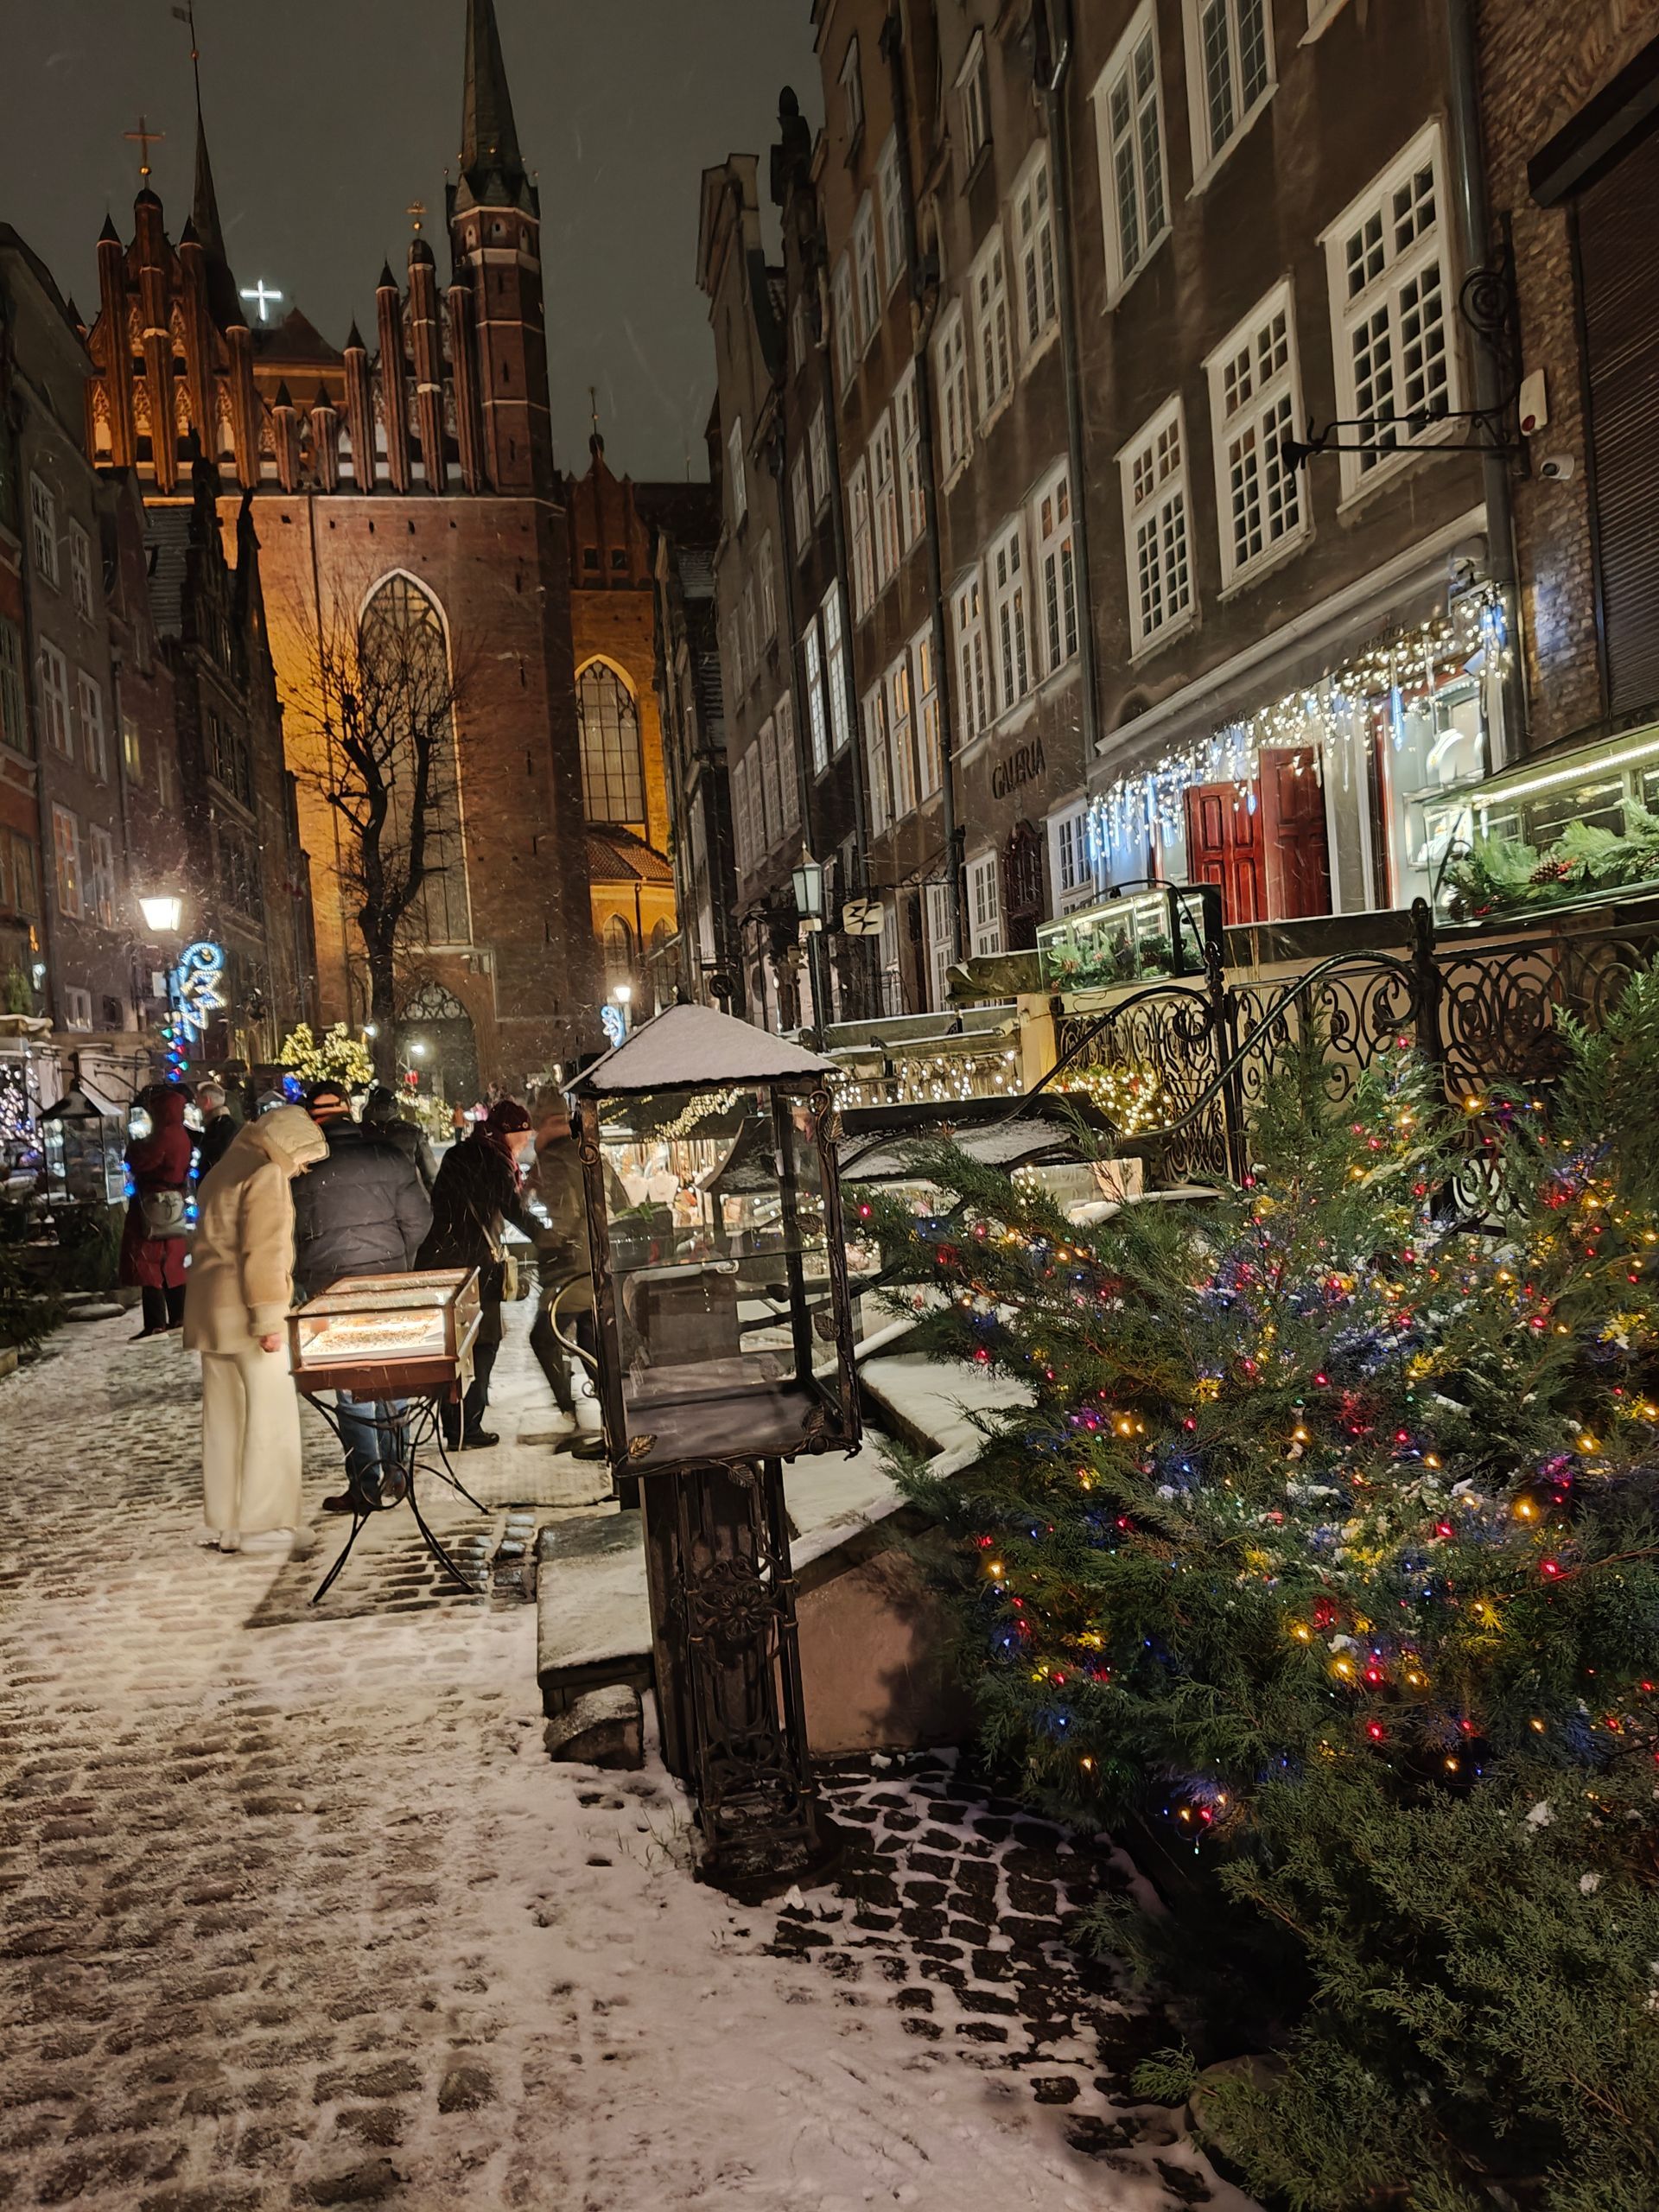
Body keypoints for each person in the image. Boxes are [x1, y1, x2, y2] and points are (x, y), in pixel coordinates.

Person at [181, 1103, 329, 1555]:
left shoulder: (227, 1166)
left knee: (226, 1421)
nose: (302, 1169)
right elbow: (264, 1254)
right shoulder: (266, 1174)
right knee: (270, 1421)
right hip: (250, 1316)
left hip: (212, 1314)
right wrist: (269, 1320)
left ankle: (230, 1523)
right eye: (302, 1158)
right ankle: (267, 1524)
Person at [291, 1082, 434, 1515]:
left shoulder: (301, 1171)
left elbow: (290, 1236)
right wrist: (398, 1262)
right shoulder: (388, 1156)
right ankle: (398, 1469)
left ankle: (365, 1483)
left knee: (351, 1384)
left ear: (312, 1120)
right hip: (388, 1282)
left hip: (331, 1289)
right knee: (391, 1373)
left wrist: (309, 1275)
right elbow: (420, 1219)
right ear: (350, 1111)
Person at [417, 1096, 539, 1450]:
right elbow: (512, 1210)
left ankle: (453, 1423)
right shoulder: (496, 1161)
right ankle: (468, 1426)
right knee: (484, 1341)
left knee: (453, 1345)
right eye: (523, 1133)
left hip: (441, 1260)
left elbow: (439, 1203)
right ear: (510, 1132)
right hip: (475, 1264)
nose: (526, 1140)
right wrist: (550, 1238)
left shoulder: (459, 1154)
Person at [526, 1089, 601, 1444]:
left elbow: (565, 1213)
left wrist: (546, 1240)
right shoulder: (583, 1150)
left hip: (573, 1268)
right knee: (589, 1337)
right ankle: (613, 1411)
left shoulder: (552, 1160)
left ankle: (569, 1411)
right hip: (596, 1260)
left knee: (543, 1337)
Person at [120, 1084, 194, 1338]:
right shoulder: (181, 1134)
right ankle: (178, 1314)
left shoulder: (164, 1135)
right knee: (172, 1260)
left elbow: (142, 1161)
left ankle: (155, 1322)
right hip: (172, 1202)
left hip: (154, 1204)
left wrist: (134, 1147)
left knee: (148, 1261)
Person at [362, 1083, 440, 1192]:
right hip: (405, 1195)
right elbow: (431, 1174)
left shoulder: (360, 1132)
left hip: (370, 1199)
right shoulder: (411, 1133)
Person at [195, 1082, 238, 1177]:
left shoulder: (218, 1129)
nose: (196, 1104)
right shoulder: (224, 1125)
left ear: (207, 1101)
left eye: (198, 1099)